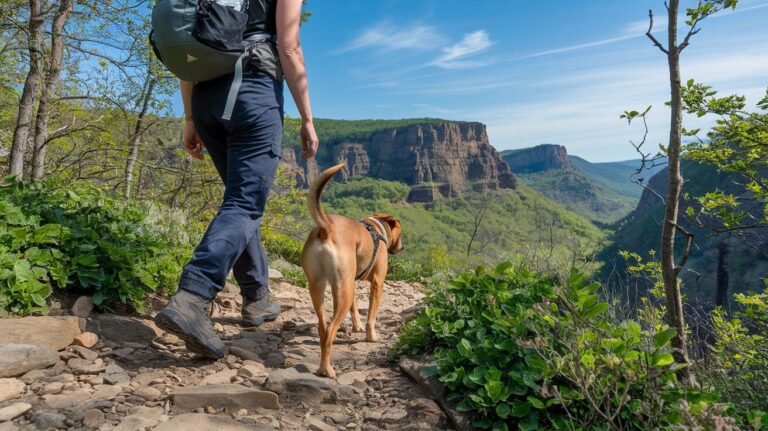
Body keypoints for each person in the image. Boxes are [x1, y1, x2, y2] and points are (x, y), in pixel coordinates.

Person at [155, 0, 319, 359]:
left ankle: (256, 297)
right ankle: (194, 296)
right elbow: (289, 46)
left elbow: (191, 50)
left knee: (240, 202)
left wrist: (190, 117)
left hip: (206, 98)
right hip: (251, 93)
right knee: (245, 203)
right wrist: (307, 117)